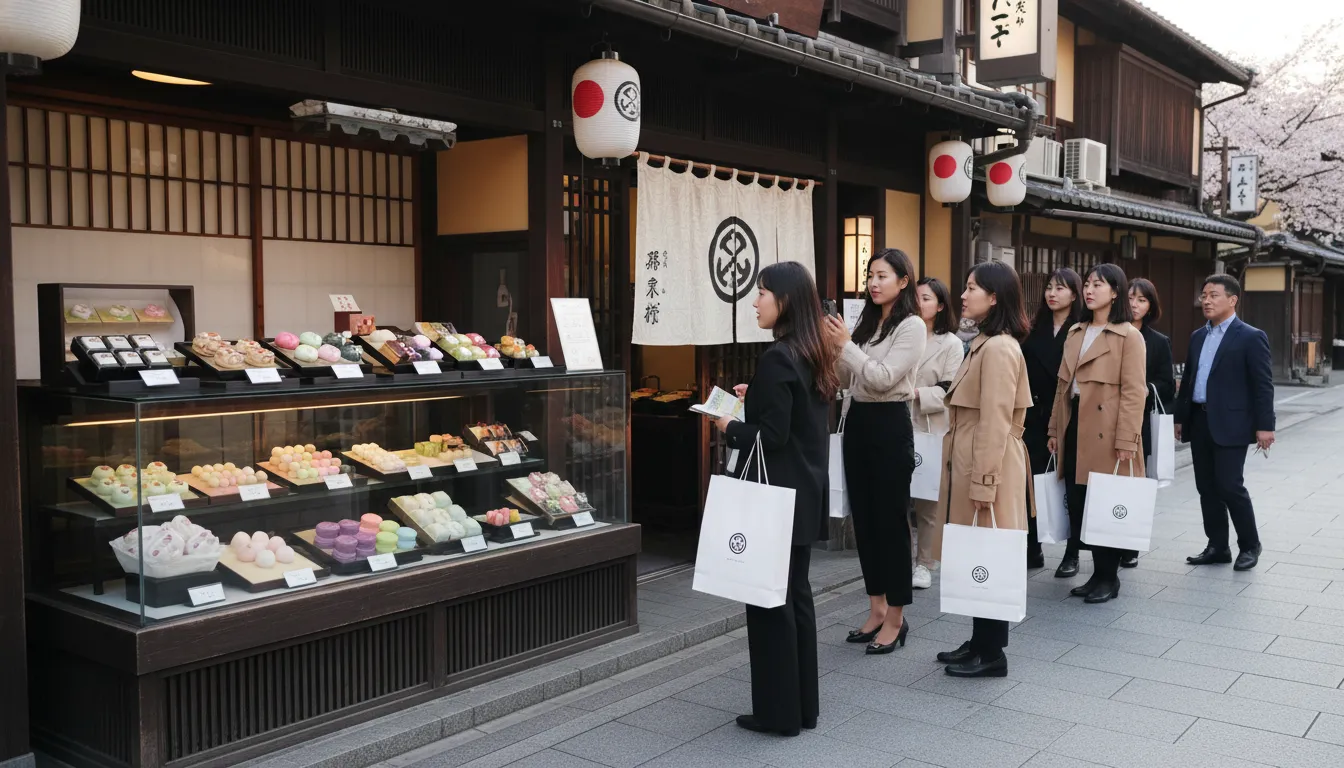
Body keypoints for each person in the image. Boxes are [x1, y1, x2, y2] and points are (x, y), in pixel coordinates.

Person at [714, 261, 836, 737]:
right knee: (796, 600)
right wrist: (756, 399)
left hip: (774, 500)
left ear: (784, 299)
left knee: (768, 604)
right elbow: (795, 419)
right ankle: (803, 708)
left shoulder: (778, 357)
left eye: (762, 292)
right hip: (803, 496)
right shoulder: (811, 350)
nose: (755, 301)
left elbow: (771, 436)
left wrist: (729, 426)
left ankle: (777, 713)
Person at [823, 248, 926, 653]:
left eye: (882, 275)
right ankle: (876, 607)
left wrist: (848, 346)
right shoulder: (866, 324)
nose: (873, 282)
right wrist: (833, 348)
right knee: (864, 521)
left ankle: (897, 617)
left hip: (889, 424)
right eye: (870, 275)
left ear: (903, 281)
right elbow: (847, 376)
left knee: (891, 524)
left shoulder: (912, 326)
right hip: (859, 423)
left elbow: (883, 378)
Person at [934, 260, 1033, 678]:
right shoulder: (986, 342)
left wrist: (985, 481)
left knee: (989, 554)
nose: (963, 294)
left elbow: (995, 420)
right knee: (977, 551)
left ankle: (992, 651)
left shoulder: (998, 348)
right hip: (976, 456)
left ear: (994, 298)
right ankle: (980, 640)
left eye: (972, 288)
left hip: (987, 461)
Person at [1046, 263, 1146, 602]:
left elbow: (1135, 393)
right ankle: (1095, 574)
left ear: (1115, 292)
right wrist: (1054, 429)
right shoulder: (1076, 332)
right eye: (1087, 284)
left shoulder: (1129, 336)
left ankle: (1108, 577)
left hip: (1108, 432)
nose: (1089, 290)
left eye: (1098, 285)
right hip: (1076, 425)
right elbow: (1063, 387)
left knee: (1106, 504)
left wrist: (1126, 440)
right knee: (1079, 501)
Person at [1173, 274, 1275, 571]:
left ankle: (1250, 545)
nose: (1206, 300)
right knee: (1206, 486)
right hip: (1199, 419)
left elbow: (1262, 384)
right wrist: (1181, 418)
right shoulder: (1197, 336)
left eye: (1213, 295)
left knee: (1230, 485)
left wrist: (1265, 425)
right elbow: (1188, 379)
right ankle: (1217, 546)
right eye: (1203, 294)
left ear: (1232, 300)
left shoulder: (1250, 336)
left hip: (1232, 423)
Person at [1021, 268, 1084, 570]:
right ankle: (1033, 547)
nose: (1051, 293)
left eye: (1060, 288)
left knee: (1070, 485)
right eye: (1049, 287)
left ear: (1074, 294)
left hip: (1068, 417)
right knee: (1031, 483)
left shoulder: (1082, 330)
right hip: (1033, 416)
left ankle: (1072, 552)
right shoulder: (1033, 329)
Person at [910, 277, 965, 589]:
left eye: (926, 298)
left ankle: (924, 562)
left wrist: (916, 394)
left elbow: (949, 388)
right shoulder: (901, 333)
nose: (919, 303)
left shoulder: (951, 344)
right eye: (916, 297)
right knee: (897, 497)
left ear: (941, 306)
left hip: (931, 427)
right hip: (898, 423)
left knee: (927, 501)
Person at [1125, 278, 1176, 569]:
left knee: (1135, 486)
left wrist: (1143, 388)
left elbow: (1167, 385)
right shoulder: (1108, 333)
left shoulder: (1158, 342)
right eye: (1130, 298)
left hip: (1139, 421)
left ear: (1150, 305)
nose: (1134, 304)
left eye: (1142, 300)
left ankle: (1131, 544)